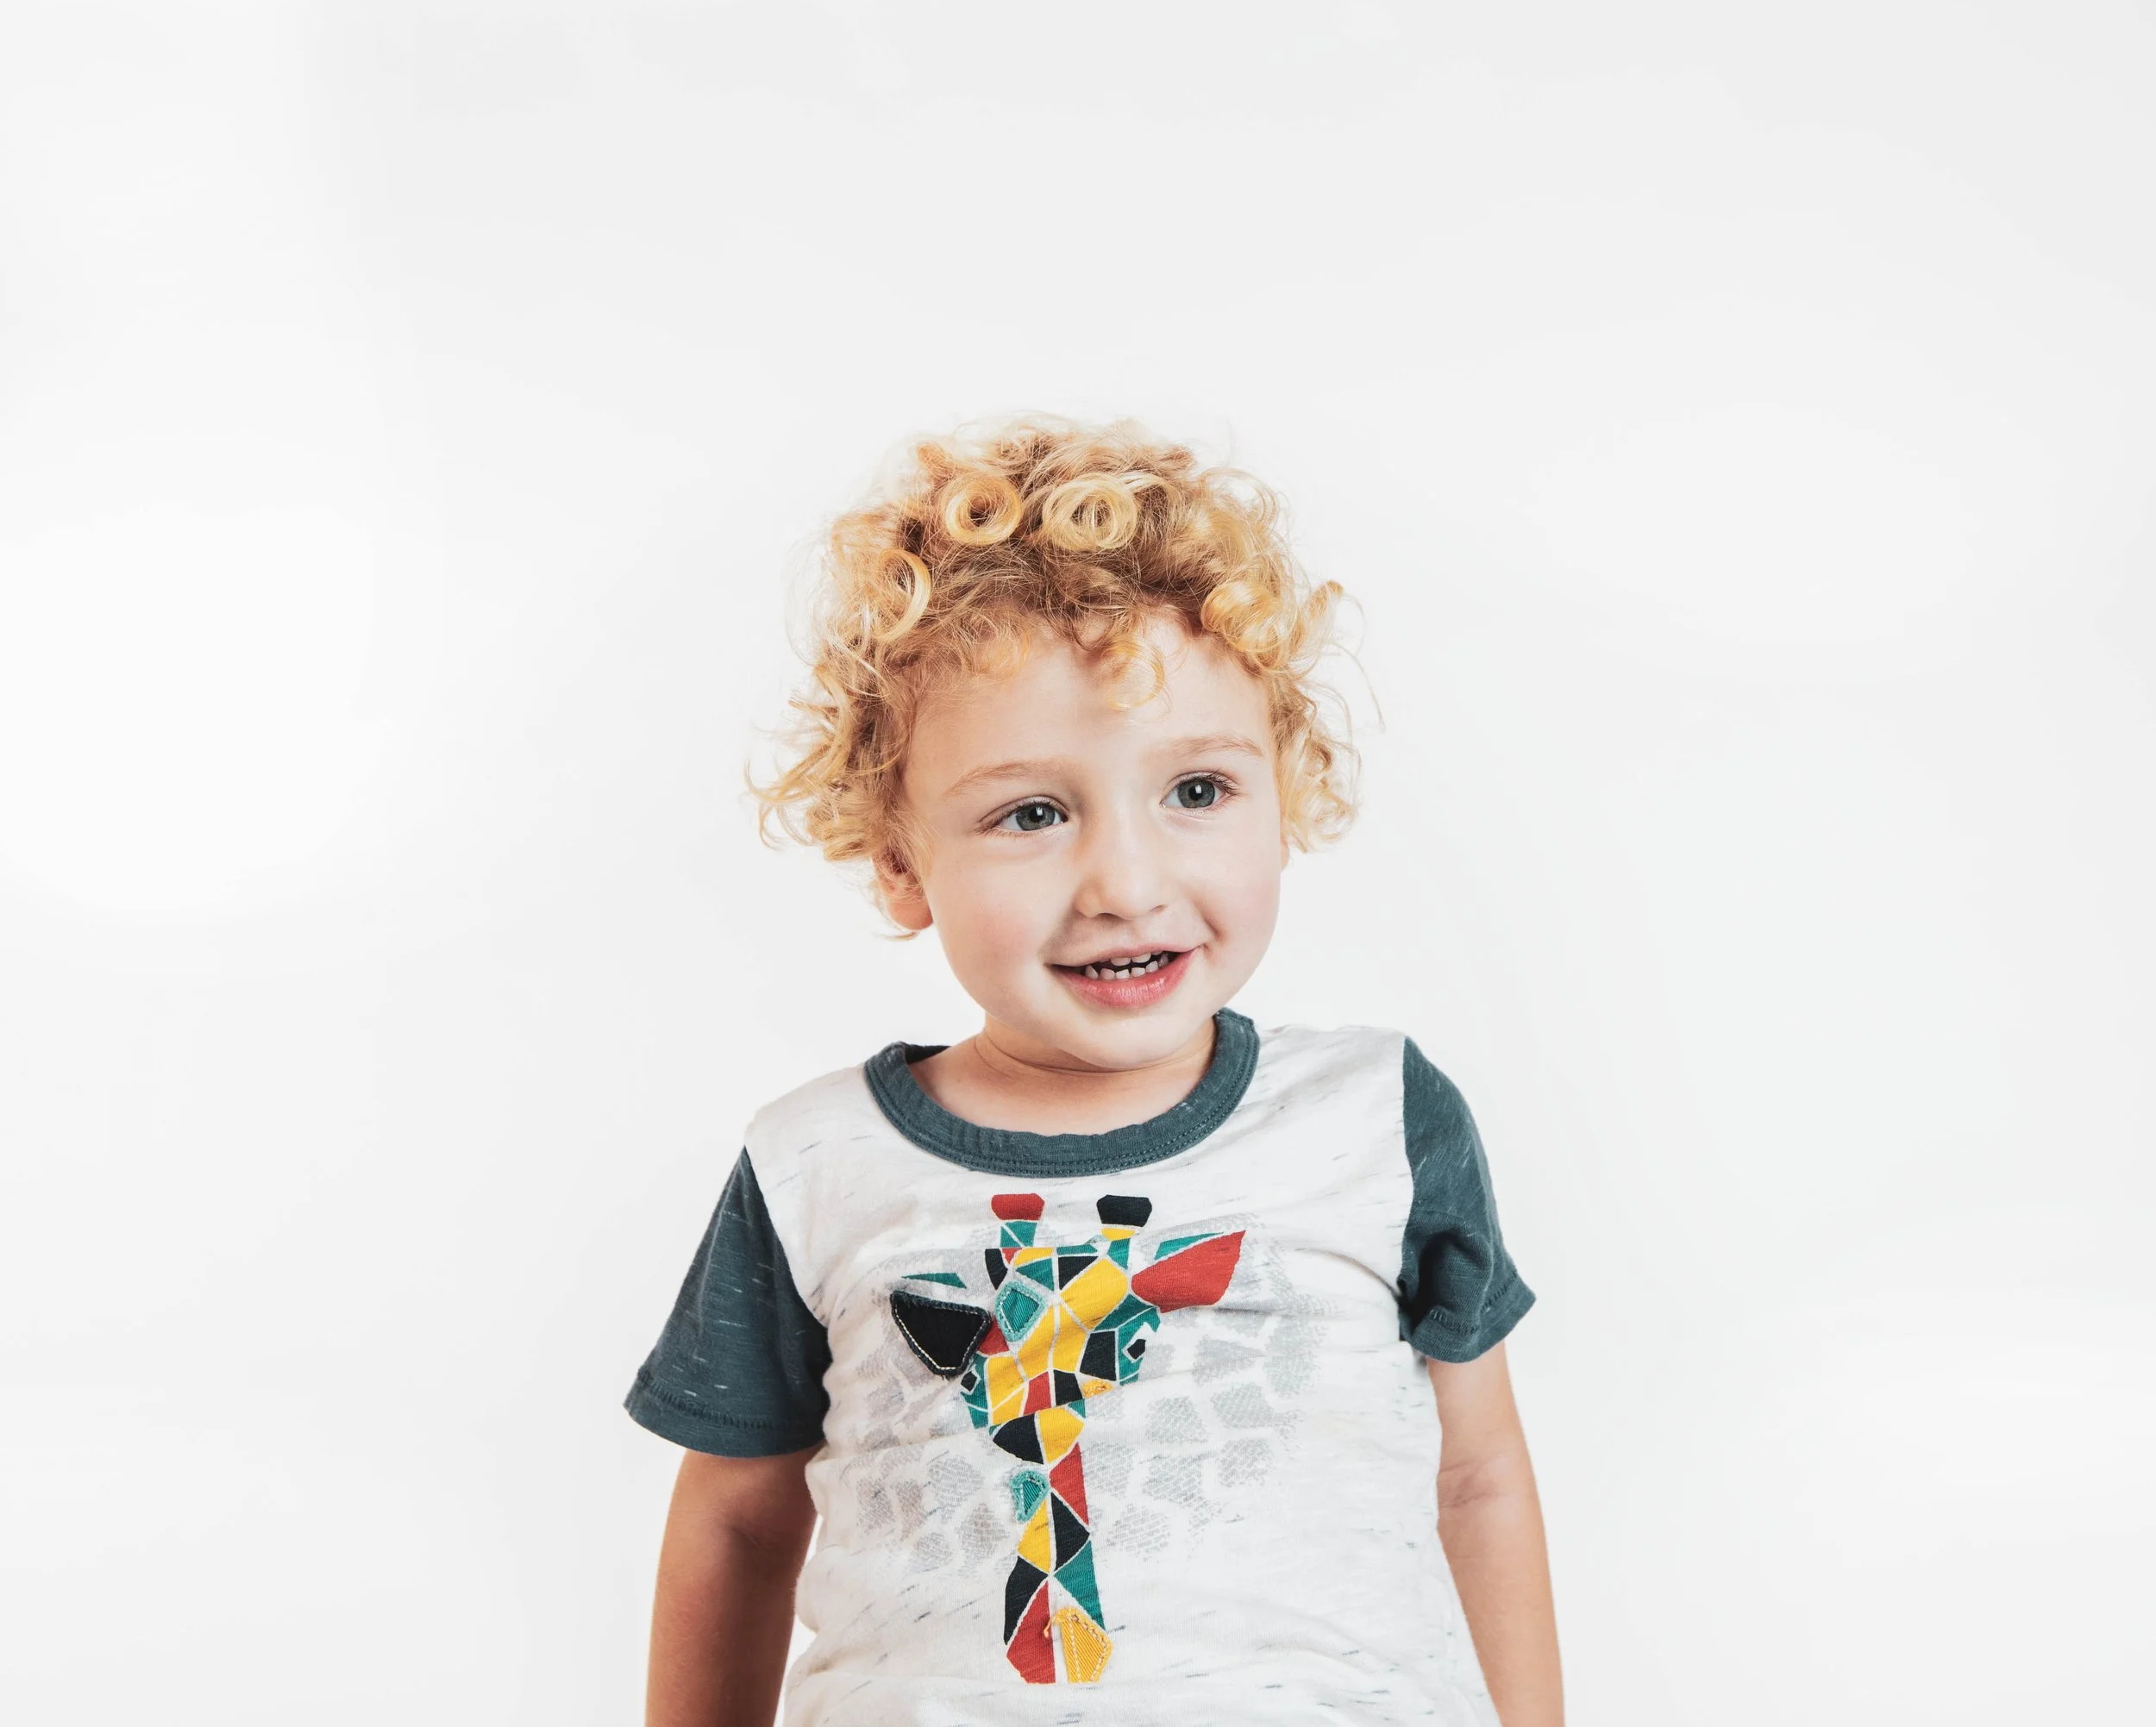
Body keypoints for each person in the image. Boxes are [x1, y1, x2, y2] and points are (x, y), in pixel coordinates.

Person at [623, 417, 1563, 1726]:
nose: (1126, 882)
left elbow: (1476, 1478)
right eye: (1032, 814)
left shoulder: (1379, 1119)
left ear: (1285, 797)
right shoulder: (814, 1166)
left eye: (1198, 792)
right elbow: (735, 1521)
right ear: (900, 863)